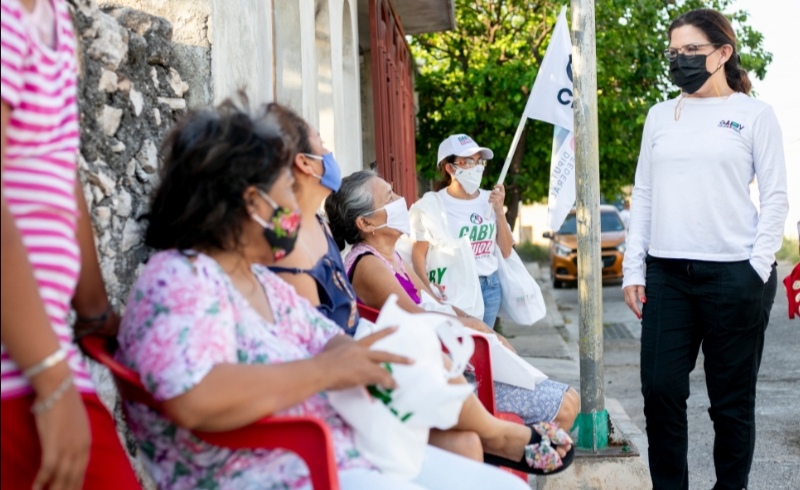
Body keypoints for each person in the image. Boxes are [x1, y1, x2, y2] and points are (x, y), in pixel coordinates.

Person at [114, 97, 562, 489]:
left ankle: (496, 434)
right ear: (253, 204)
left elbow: (326, 339)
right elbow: (194, 398)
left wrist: (384, 351)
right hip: (290, 470)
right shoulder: (179, 281)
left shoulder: (257, 280)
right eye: (286, 191)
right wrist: (327, 371)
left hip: (341, 452)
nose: (297, 207)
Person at [266, 103, 573, 469]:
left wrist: (476, 326)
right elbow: (408, 319)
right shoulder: (339, 255)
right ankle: (497, 435)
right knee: (537, 410)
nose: (400, 202)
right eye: (322, 144)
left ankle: (495, 436)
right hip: (376, 369)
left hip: (402, 353)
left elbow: (425, 303)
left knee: (471, 422)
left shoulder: (331, 236)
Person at [621, 8, 788, 490]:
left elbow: (775, 197)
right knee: (660, 390)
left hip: (736, 275)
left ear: (722, 53)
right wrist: (635, 269)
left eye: (692, 51)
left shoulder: (754, 115)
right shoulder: (660, 115)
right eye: (674, 53)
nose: (681, 61)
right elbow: (645, 193)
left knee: (731, 403)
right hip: (668, 274)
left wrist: (755, 268)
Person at [0, 1, 140, 488]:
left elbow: (62, 171)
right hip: (24, 371)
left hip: (40, 356)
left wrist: (96, 311)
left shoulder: (53, 15)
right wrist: (53, 382)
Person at [326, 170, 580, 433]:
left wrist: (481, 327)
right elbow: (414, 318)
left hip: (452, 357)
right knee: (565, 406)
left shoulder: (392, 256)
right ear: (365, 223)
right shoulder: (368, 264)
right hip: (443, 373)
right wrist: (475, 327)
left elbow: (433, 300)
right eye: (389, 197)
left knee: (570, 400)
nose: (400, 199)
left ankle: (519, 457)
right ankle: (510, 455)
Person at [410, 134, 513, 328]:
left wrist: (500, 212)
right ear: (450, 168)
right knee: (459, 348)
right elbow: (418, 253)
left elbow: (506, 251)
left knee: (484, 347)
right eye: (468, 161)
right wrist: (428, 291)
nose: (476, 167)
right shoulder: (433, 204)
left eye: (478, 161)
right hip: (455, 287)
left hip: (489, 287)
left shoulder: (489, 200)